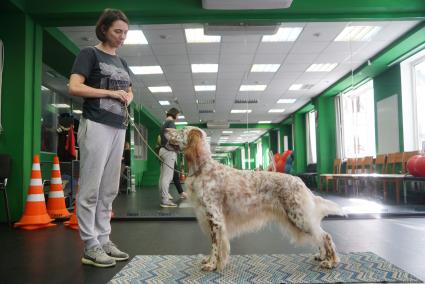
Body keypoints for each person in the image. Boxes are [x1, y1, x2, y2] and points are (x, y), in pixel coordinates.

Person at [68, 8, 133, 268]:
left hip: (119, 126)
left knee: (109, 189)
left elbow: (130, 90)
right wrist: (107, 94)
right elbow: (74, 86)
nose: (122, 37)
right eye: (118, 31)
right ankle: (90, 245)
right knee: (91, 188)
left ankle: (104, 239)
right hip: (95, 124)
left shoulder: (122, 62)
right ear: (104, 29)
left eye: (125, 33)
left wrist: (128, 97)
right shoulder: (89, 54)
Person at [158, 107, 181, 207]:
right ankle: (165, 200)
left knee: (163, 176)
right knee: (167, 177)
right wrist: (180, 147)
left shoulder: (164, 124)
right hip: (168, 152)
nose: (178, 117)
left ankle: (164, 195)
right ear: (174, 114)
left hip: (162, 151)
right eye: (178, 115)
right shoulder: (171, 123)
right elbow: (173, 139)